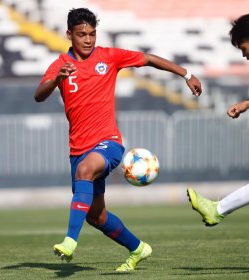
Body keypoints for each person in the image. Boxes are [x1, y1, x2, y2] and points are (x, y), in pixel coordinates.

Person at [35, 8, 202, 271]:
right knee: (96, 216)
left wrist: (186, 74)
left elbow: (147, 59)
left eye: (92, 34)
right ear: (69, 35)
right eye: (82, 35)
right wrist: (57, 79)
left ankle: (70, 240)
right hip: (78, 148)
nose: (88, 40)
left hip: (109, 142)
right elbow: (39, 95)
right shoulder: (60, 66)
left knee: (85, 169)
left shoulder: (108, 57)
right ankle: (138, 248)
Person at [187, 13, 249, 227]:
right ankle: (218, 209)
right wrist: (247, 104)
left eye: (244, 49)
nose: (245, 56)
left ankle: (218, 209)